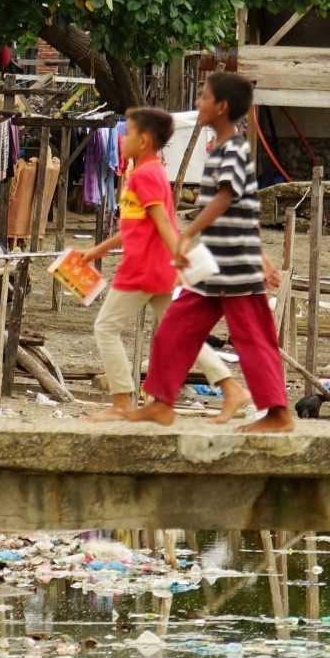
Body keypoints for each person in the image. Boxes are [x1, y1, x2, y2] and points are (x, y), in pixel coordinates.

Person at [127, 72, 293, 432]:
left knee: (252, 336)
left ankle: (278, 413)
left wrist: (188, 231)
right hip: (214, 265)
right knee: (174, 328)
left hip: (233, 267)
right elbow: (246, 210)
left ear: (221, 107)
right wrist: (262, 256)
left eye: (204, 97)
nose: (199, 103)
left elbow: (227, 196)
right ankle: (161, 401)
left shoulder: (234, 148)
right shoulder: (219, 147)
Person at [84, 107, 247, 424]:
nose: (122, 139)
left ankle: (121, 401)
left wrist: (178, 255)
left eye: (128, 133)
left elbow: (162, 223)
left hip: (143, 269)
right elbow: (133, 228)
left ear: (143, 140)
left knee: (105, 328)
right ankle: (230, 386)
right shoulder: (151, 172)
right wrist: (95, 252)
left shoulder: (145, 175)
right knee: (181, 334)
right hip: (158, 269)